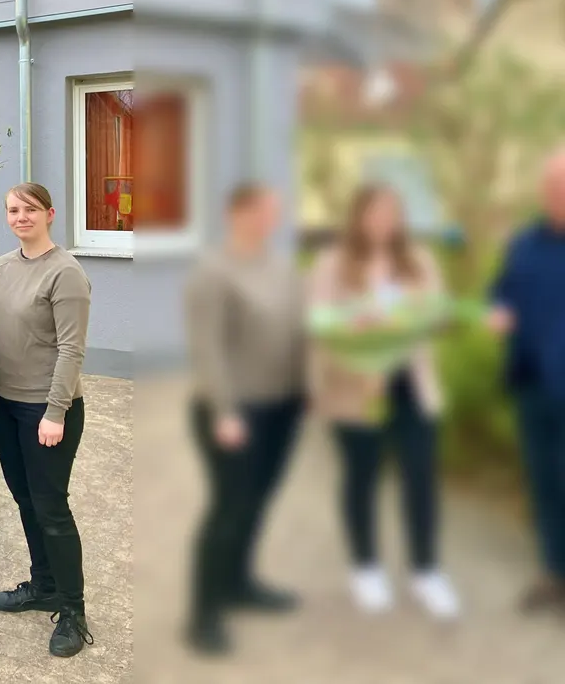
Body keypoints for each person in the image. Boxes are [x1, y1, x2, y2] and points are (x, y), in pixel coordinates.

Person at [308, 184, 459, 619]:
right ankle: (366, 566)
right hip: (355, 391)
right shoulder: (332, 264)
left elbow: (439, 316)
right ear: (358, 217)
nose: (383, 222)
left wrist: (434, 312)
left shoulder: (418, 262)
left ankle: (426, 570)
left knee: (421, 476)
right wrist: (357, 364)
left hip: (411, 387)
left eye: (391, 214)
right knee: (362, 477)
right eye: (375, 213)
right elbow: (321, 327)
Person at [182, 183, 306, 655]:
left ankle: (240, 584)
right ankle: (202, 614)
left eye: (272, 212)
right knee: (228, 511)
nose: (266, 220)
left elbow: (300, 330)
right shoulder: (214, 270)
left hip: (282, 406)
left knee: (257, 503)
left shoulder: (281, 268)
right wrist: (225, 411)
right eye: (257, 212)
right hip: (234, 411)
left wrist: (307, 387)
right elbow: (207, 347)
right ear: (235, 214)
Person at [0, 183, 94, 658]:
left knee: (51, 508)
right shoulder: (3, 267)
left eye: (29, 209)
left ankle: (73, 610)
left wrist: (55, 412)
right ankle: (43, 584)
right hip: (3, 403)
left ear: (49, 214)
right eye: (12, 210)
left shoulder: (65, 273)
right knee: (26, 500)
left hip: (46, 410)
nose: (20, 217)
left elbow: (71, 349)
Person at [489, 147, 565, 615]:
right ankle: (553, 574)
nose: (558, 195)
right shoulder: (524, 243)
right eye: (552, 187)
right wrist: (498, 309)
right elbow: (503, 290)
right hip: (532, 385)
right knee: (544, 484)